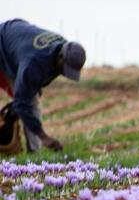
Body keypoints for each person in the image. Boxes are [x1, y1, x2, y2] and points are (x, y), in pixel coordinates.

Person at [0, 19, 86, 153]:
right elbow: (22, 103)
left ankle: (34, 154)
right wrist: (44, 136)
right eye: (65, 69)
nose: (64, 74)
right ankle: (35, 150)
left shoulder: (62, 48)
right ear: (60, 57)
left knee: (29, 99)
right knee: (27, 103)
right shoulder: (33, 63)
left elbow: (43, 76)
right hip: (3, 45)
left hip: (16, 39)